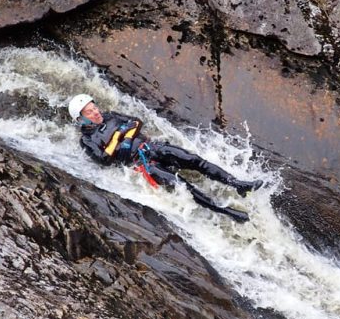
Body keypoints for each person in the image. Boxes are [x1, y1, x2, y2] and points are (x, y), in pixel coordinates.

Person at [68, 94, 262, 223]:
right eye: (89, 112)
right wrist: (120, 136)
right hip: (142, 165)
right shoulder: (87, 140)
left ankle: (237, 184)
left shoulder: (110, 116)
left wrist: (126, 138)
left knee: (194, 160)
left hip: (152, 147)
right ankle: (227, 213)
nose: (96, 112)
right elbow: (103, 159)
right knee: (182, 185)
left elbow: (136, 122)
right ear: (81, 119)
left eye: (94, 108)